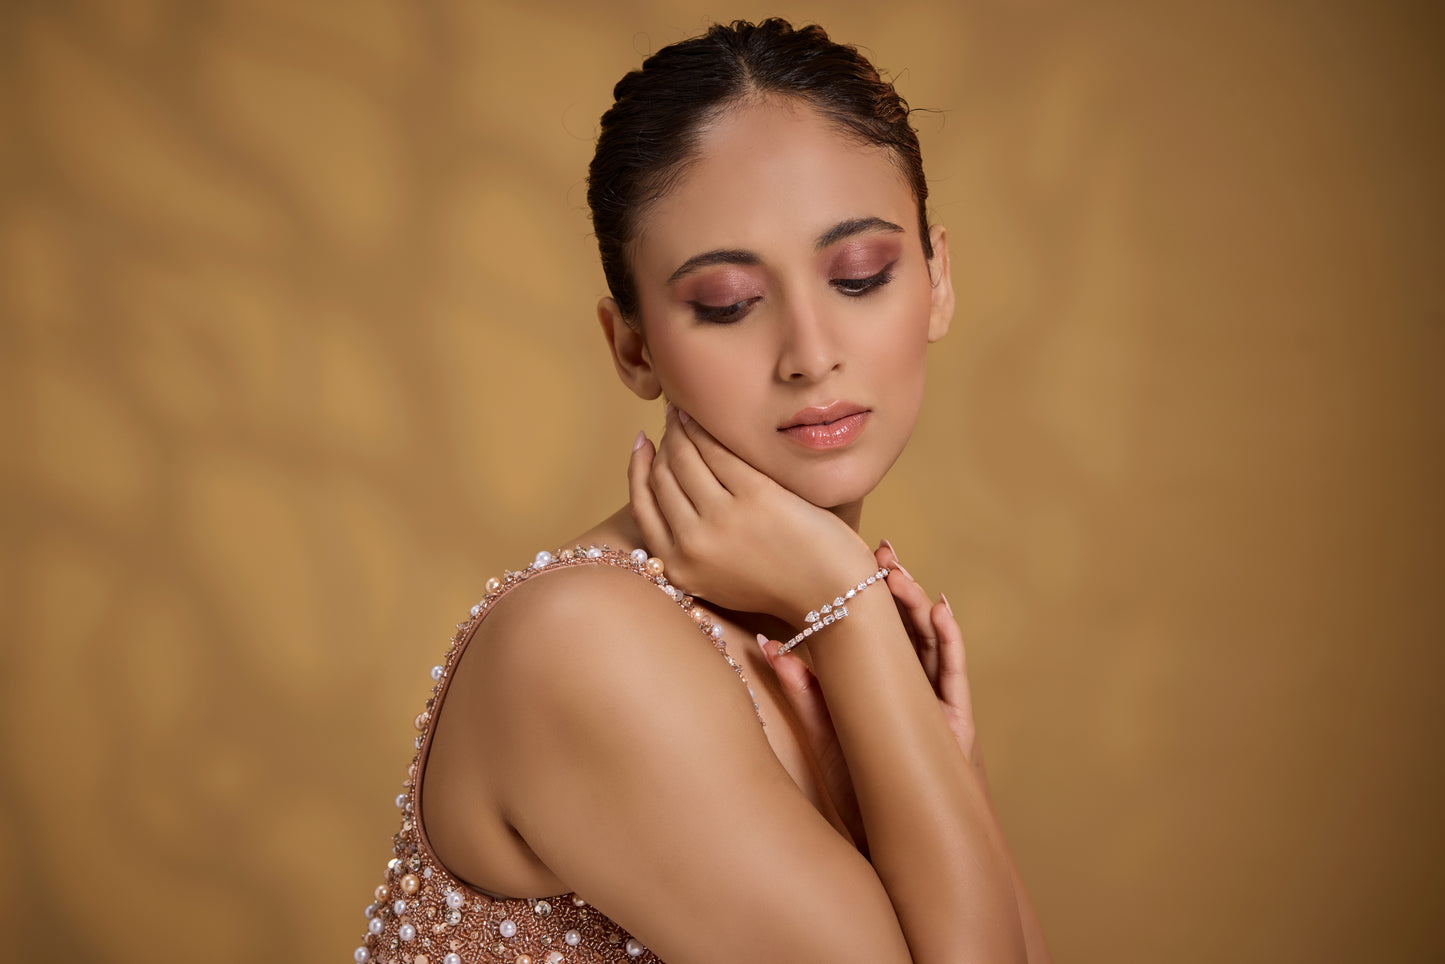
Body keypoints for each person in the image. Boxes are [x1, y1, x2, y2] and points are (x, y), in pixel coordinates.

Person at [356, 18, 1049, 964]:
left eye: (859, 275)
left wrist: (918, 742)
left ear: (934, 278)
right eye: (727, 303)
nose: (811, 354)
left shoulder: (836, 633)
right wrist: (851, 618)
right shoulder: (584, 644)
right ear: (632, 345)